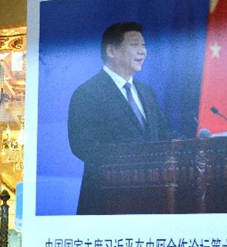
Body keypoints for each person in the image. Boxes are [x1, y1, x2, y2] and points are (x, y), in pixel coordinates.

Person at [68, 21, 175, 214]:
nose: (142, 51)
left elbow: (164, 136)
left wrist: (194, 142)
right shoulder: (87, 93)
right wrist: (131, 167)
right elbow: (82, 146)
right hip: (107, 200)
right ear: (111, 50)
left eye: (143, 45)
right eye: (134, 45)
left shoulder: (146, 92)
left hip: (153, 198)